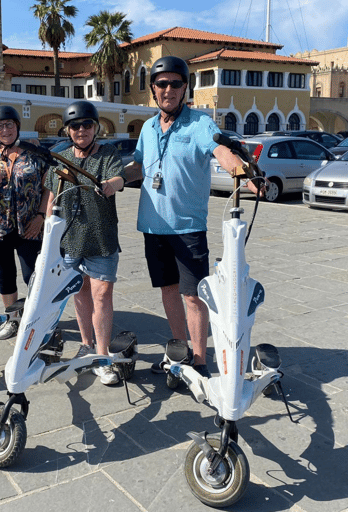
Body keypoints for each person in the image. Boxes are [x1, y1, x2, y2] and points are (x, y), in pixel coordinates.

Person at [123, 56, 262, 379]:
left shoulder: (199, 124)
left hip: (188, 227)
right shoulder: (147, 127)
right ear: (153, 90)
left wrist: (243, 172)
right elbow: (139, 166)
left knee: (194, 296)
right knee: (168, 290)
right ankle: (178, 349)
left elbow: (221, 152)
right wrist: (115, 177)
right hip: (153, 225)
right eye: (161, 84)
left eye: (175, 83)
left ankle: (199, 360)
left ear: (185, 88)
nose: (168, 89)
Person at [44, 101, 125, 385]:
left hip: (101, 237)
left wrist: (111, 185)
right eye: (75, 126)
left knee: (102, 295)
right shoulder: (60, 157)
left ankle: (102, 357)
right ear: (68, 130)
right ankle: (86, 343)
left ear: (95, 127)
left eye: (87, 125)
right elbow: (52, 196)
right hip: (70, 238)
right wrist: (48, 232)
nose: (81, 130)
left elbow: (119, 177)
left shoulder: (107, 153)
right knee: (79, 292)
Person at [0, 106, 49, 340]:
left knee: (33, 276)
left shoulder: (35, 154)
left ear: (17, 127)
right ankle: (12, 318)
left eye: (9, 125)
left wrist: (40, 216)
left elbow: (49, 188)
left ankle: (40, 319)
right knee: (5, 276)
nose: (5, 130)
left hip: (30, 226)